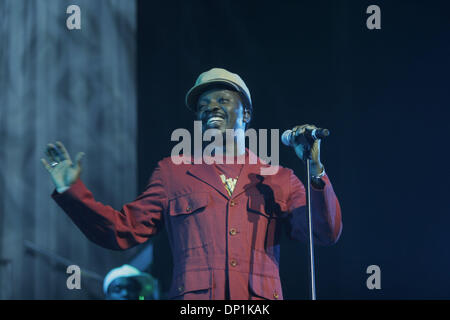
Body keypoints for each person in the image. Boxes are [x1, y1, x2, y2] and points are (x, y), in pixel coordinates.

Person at [41, 68, 342, 300]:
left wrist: (315, 170)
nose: (211, 107)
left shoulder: (278, 176)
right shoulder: (173, 173)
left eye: (223, 100)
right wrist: (72, 192)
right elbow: (123, 230)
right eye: (203, 104)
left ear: (246, 113)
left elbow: (324, 232)